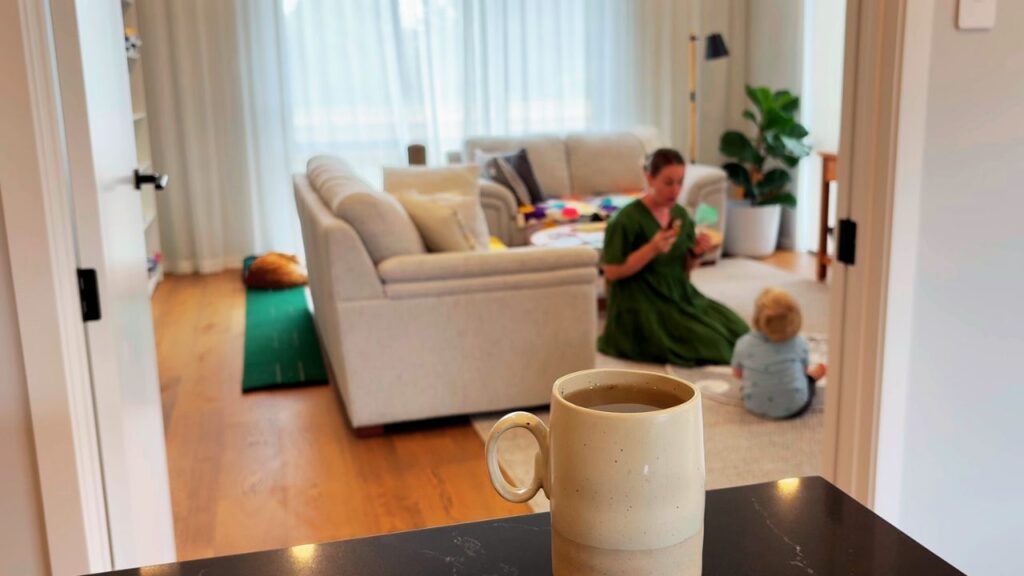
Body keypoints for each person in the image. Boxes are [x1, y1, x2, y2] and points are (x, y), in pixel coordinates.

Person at [598, 148, 748, 366]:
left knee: (739, 330)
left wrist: (696, 253)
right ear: (649, 178)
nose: (675, 190)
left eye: (680, 182)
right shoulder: (624, 221)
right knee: (714, 344)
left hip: (679, 293)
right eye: (668, 183)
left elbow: (684, 268)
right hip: (641, 300)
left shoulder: (680, 215)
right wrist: (652, 248)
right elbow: (611, 271)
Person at [731, 287, 827, 419]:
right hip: (795, 406)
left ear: (756, 319)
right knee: (806, 380)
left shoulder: (743, 343)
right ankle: (814, 377)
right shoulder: (799, 343)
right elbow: (803, 371)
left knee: (750, 385)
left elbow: (737, 374)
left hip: (754, 404)